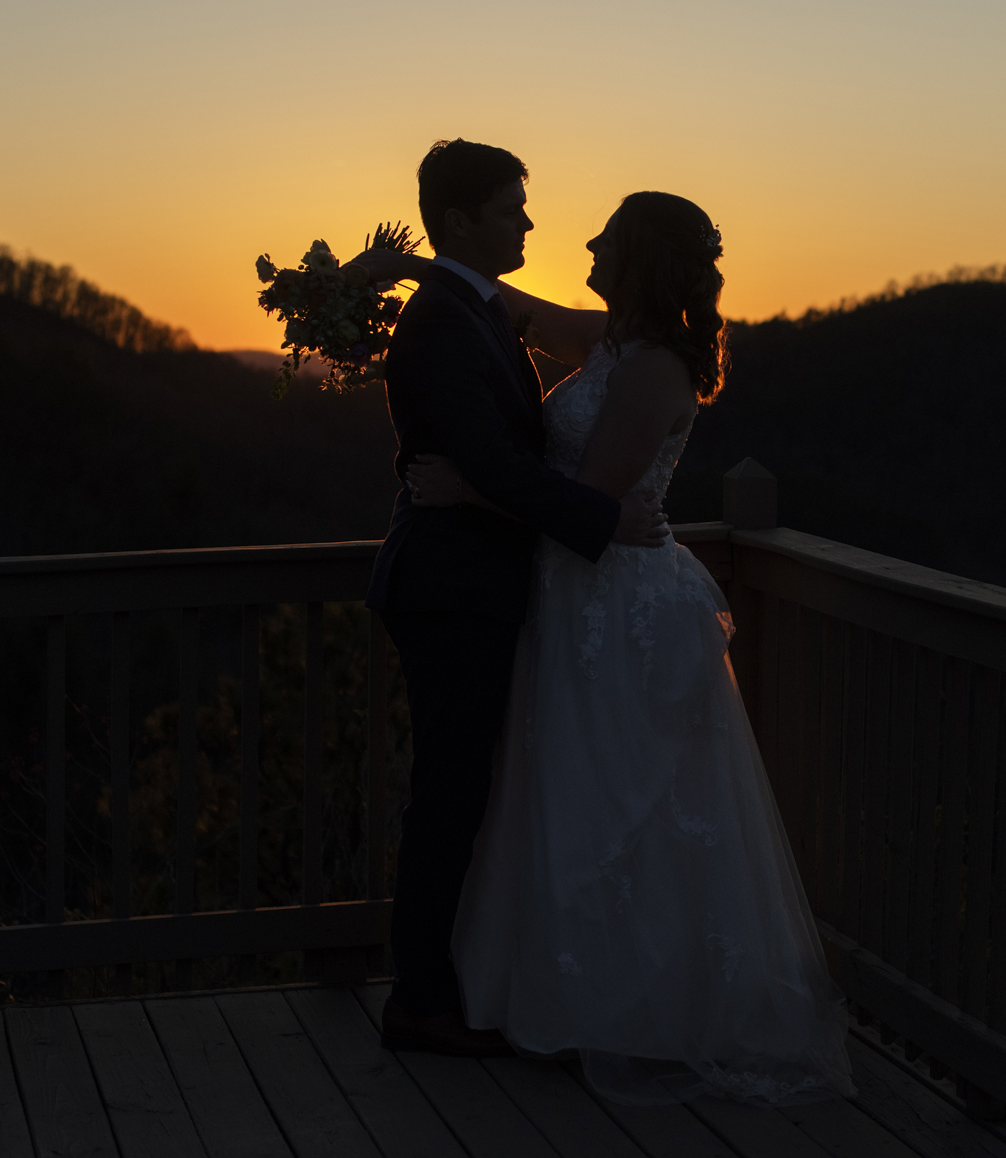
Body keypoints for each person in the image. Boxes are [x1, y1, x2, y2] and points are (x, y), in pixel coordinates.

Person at [362, 190, 852, 1105]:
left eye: (606, 236)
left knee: (619, 804)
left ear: (638, 258)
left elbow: (587, 493)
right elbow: (504, 305)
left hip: (619, 605)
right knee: (560, 792)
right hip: (573, 589)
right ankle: (553, 985)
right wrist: (403, 271)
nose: (583, 240)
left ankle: (627, 1005)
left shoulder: (658, 367)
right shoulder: (612, 341)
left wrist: (466, 490)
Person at [362, 140, 670, 1058]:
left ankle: (459, 981)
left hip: (484, 581)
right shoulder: (441, 325)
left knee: (468, 792)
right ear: (462, 221)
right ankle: (421, 998)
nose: (530, 223)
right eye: (510, 210)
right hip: (452, 588)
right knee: (450, 795)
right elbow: (495, 462)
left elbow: (494, 465)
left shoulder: (474, 305)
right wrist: (601, 519)